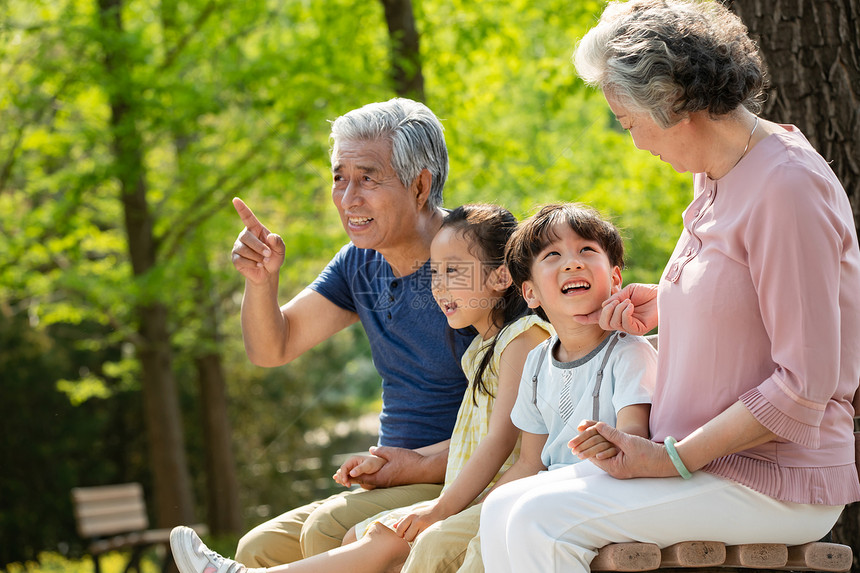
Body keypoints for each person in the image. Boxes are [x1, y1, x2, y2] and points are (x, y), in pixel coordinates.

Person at [479, 2, 860, 572]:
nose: (632, 141)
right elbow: (749, 296)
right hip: (702, 465)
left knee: (539, 522)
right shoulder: (718, 176)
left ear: (671, 101)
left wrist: (672, 460)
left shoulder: (786, 187)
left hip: (774, 478)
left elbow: (805, 385)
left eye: (628, 121)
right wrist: (669, 304)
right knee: (505, 505)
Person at [169, 203, 553, 573]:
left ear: (502, 277)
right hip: (464, 490)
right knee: (348, 535)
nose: (439, 288)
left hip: (487, 496)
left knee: (357, 534)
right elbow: (474, 433)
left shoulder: (521, 338)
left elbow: (502, 443)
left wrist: (436, 510)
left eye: (452, 272)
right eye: (435, 274)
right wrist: (404, 462)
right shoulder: (482, 349)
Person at [230, 98, 475, 566]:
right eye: (339, 177)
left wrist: (422, 463)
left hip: (459, 471)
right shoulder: (358, 262)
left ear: (420, 184)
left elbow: (525, 409)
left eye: (367, 177)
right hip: (391, 474)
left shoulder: (475, 256)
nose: (348, 199)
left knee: (329, 528)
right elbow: (270, 348)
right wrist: (261, 284)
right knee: (255, 549)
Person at [409, 202, 655, 573]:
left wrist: (612, 441)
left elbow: (635, 437)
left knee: (496, 539)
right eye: (553, 255)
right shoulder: (539, 361)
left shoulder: (627, 352)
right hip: (542, 493)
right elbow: (529, 460)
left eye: (586, 250)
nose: (572, 262)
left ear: (616, 277)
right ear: (530, 293)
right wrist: (487, 507)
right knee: (448, 539)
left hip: (598, 497)